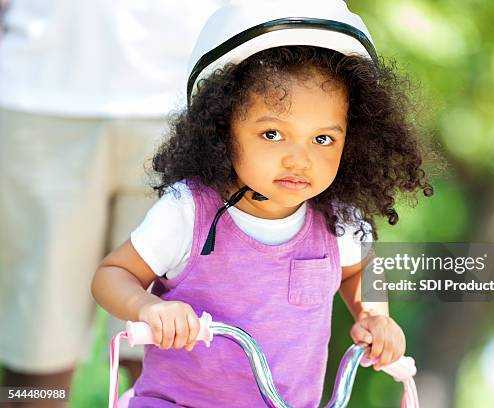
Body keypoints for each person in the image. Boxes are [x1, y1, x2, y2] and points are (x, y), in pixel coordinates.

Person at [91, 0, 434, 406]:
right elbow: (111, 275)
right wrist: (148, 308)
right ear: (222, 127)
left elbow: (359, 268)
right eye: (273, 134)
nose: (299, 158)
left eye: (323, 139)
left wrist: (374, 316)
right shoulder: (188, 213)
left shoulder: (337, 221)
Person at [0, 0, 223, 404]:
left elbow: (370, 240)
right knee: (36, 362)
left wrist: (375, 308)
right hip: (39, 96)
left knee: (170, 351)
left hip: (188, 100)